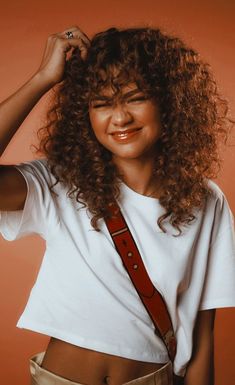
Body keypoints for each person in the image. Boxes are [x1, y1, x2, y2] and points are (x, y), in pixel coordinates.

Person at [0, 25, 234, 385]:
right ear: (85, 114)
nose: (120, 117)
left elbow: (202, 341)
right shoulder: (59, 182)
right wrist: (42, 79)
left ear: (168, 100)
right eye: (102, 103)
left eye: (135, 97)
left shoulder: (207, 202)